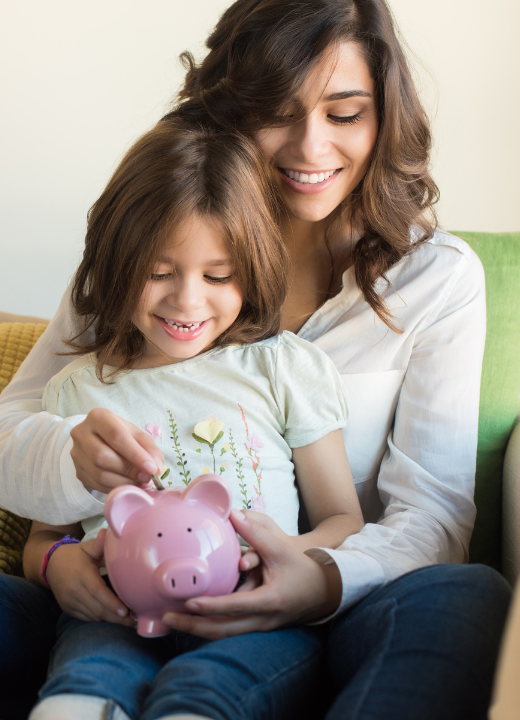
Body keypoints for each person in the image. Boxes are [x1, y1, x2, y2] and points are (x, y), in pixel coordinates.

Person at [0, 0, 512, 718]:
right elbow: (4, 440)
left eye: (345, 114)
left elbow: (432, 517)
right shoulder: (142, 263)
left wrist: (318, 578)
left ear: (385, 117)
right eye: (278, 111)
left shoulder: (435, 280)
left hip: (323, 619)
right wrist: (65, 504)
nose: (312, 147)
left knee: (466, 595)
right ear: (227, 110)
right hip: (111, 616)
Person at [22, 118, 364, 720]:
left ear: (251, 269)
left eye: (217, 276)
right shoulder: (76, 391)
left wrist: (290, 558)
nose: (187, 300)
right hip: (118, 619)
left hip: (254, 617)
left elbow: (343, 517)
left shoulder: (280, 366)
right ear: (114, 262)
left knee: (208, 694)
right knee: (85, 682)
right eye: (158, 272)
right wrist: (58, 567)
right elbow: (44, 540)